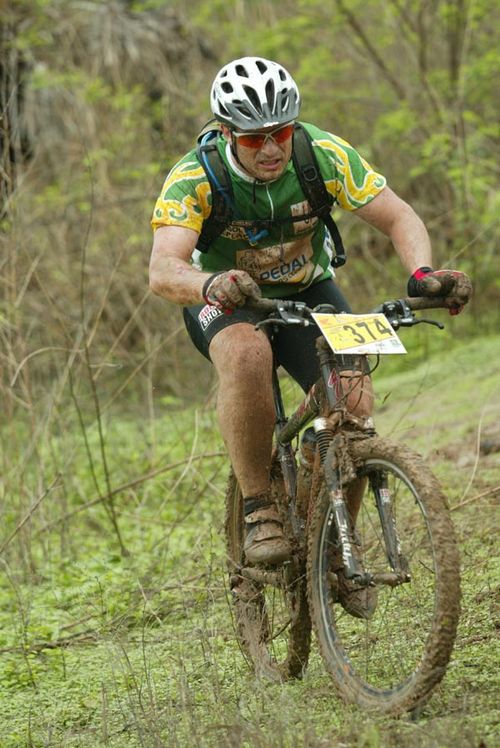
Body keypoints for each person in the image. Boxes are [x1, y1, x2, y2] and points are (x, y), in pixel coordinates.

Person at [149, 57, 472, 617]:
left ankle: (332, 540)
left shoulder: (320, 153)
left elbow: (399, 217)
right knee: (248, 351)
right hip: (225, 298)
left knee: (352, 401)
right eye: (255, 138)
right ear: (228, 133)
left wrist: (422, 275)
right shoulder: (196, 175)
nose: (271, 148)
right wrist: (211, 282)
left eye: (281, 131)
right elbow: (163, 270)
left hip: (308, 286)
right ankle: (258, 508)